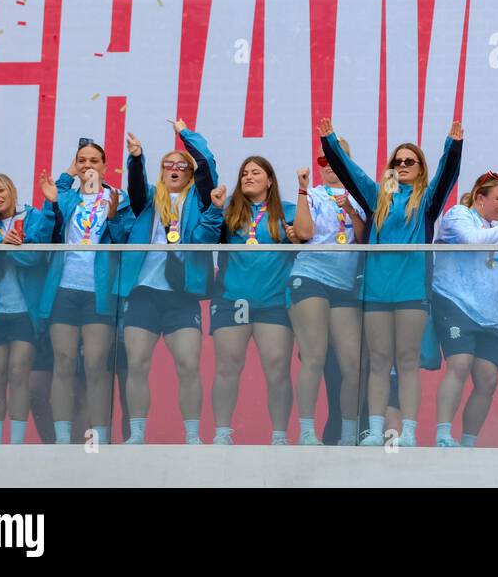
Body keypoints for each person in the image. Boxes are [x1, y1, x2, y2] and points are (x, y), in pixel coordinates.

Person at [319, 117, 463, 447]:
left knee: (407, 361)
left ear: (420, 167)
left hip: (411, 290)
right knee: (379, 361)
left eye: (409, 161)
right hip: (377, 290)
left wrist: (452, 146)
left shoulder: (426, 202)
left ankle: (409, 431)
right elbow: (351, 174)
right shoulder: (378, 198)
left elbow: (446, 177)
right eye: (397, 161)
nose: (402, 165)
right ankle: (374, 429)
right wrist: (329, 141)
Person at [120, 121, 221, 445]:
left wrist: (186, 133)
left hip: (182, 293)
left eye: (181, 167)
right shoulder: (149, 201)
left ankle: (192, 435)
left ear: (189, 175)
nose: (174, 170)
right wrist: (136, 158)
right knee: (136, 363)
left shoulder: (199, 201)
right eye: (168, 166)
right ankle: (137, 433)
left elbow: (206, 164)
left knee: (189, 364)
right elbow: (135, 187)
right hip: (144, 292)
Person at [430, 171, 498, 447]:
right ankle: (442, 435)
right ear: (479, 197)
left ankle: (467, 443)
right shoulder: (458, 215)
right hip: (455, 302)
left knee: (487, 380)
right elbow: (472, 239)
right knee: (460, 365)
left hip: (491, 317)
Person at [41, 140, 130, 445]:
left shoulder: (118, 197)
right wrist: (52, 203)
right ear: (76, 166)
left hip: (99, 292)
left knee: (95, 364)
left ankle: (99, 439)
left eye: (95, 160)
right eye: (82, 161)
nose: (88, 165)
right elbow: (44, 233)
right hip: (64, 288)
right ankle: (63, 439)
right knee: (63, 362)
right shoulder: (65, 197)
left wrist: (116, 216)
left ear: (105, 167)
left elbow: (125, 242)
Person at [210, 157, 296, 444]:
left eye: (255, 173)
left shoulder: (288, 212)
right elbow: (205, 236)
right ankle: (222, 433)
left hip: (272, 300)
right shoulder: (229, 210)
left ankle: (280, 436)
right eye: (244, 172)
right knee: (228, 365)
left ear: (269, 180)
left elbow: (308, 235)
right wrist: (215, 208)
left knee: (277, 367)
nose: (248, 176)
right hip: (232, 297)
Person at [290, 138, 364, 446]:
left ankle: (347, 437)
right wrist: (303, 189)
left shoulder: (360, 196)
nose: (330, 165)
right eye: (324, 160)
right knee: (314, 357)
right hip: (311, 276)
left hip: (345, 283)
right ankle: (307, 432)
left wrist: (351, 209)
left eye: (336, 158)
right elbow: (304, 233)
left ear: (348, 162)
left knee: (352, 364)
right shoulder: (314, 194)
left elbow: (363, 239)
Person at [0, 173, 56, 444]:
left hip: (25, 311)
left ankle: (16, 445)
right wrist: (1, 241)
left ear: (11, 190)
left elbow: (34, 257)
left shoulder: (32, 217)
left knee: (19, 372)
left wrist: (2, 243)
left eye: (0, 190)